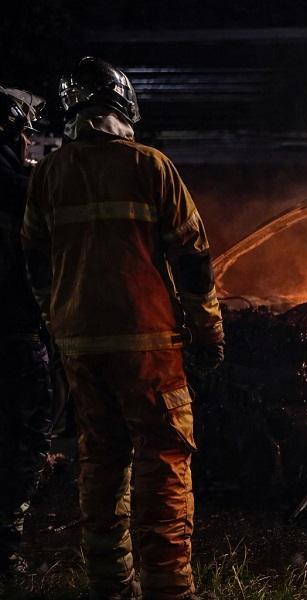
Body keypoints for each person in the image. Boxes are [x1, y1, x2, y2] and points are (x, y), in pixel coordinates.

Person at [21, 57, 224, 600]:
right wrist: (208, 333)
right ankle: (169, 590)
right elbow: (194, 260)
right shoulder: (151, 167)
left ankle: (110, 587)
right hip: (149, 347)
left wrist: (56, 322)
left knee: (101, 463)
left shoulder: (47, 175)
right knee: (163, 462)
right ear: (123, 104)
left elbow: (37, 265)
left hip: (81, 349)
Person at [0, 86, 54, 576]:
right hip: (15, 333)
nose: (29, 144)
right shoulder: (21, 192)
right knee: (25, 430)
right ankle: (4, 546)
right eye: (25, 135)